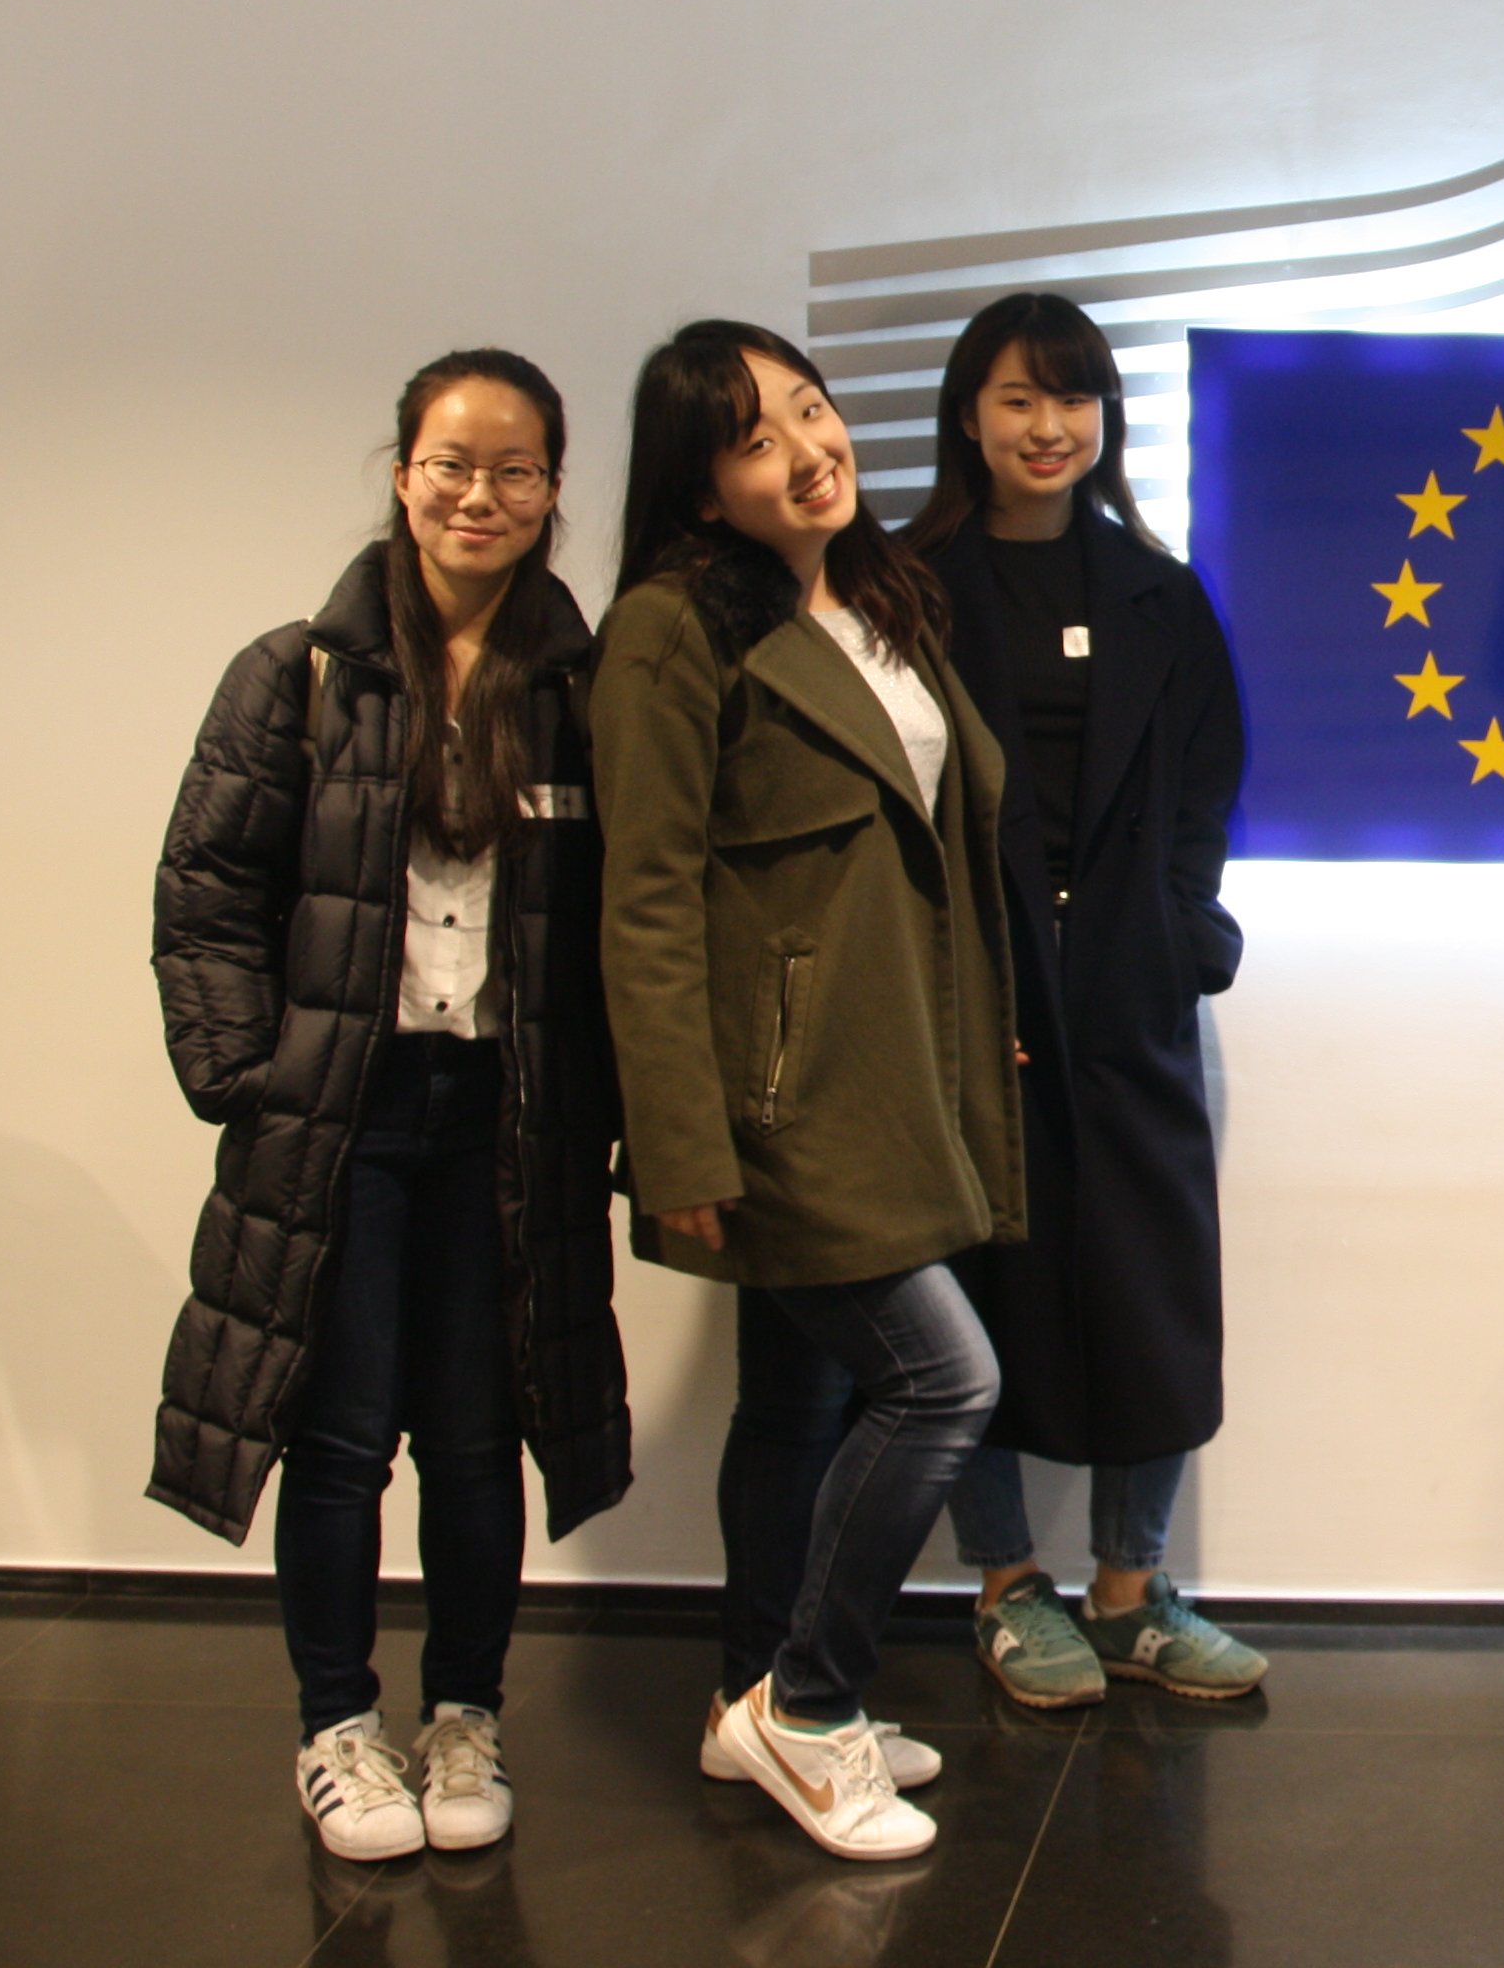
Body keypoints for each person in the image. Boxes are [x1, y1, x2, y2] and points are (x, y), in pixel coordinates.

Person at [150, 349, 633, 1863]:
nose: (478, 496)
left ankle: (466, 1715)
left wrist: (622, 1112)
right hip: (345, 1117)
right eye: (450, 463)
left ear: (555, 491)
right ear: (402, 469)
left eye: (514, 470)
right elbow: (206, 889)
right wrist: (247, 1075)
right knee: (343, 1437)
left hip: (508, 1112)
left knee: (484, 1438)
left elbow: (642, 914)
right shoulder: (299, 669)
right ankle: (338, 1729)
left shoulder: (590, 688)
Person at [594, 320, 1024, 1863]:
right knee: (943, 1383)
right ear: (704, 488)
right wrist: (680, 1138)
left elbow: (932, 856)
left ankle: (742, 1699)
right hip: (782, 1095)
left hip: (896, 1066)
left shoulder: (881, 602)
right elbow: (641, 898)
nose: (808, 447)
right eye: (759, 436)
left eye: (814, 410)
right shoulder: (668, 629)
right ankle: (815, 1706)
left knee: (796, 1400)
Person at [901, 292, 1265, 1708]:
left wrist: (1179, 941)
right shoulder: (910, 587)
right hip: (960, 1001)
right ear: (967, 419)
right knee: (974, 1291)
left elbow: (1204, 794)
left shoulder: (1157, 595)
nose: (1046, 428)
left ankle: (1129, 1588)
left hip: (1127, 1001)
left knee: (1148, 1290)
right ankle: (1002, 1585)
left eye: (1072, 400)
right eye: (1015, 400)